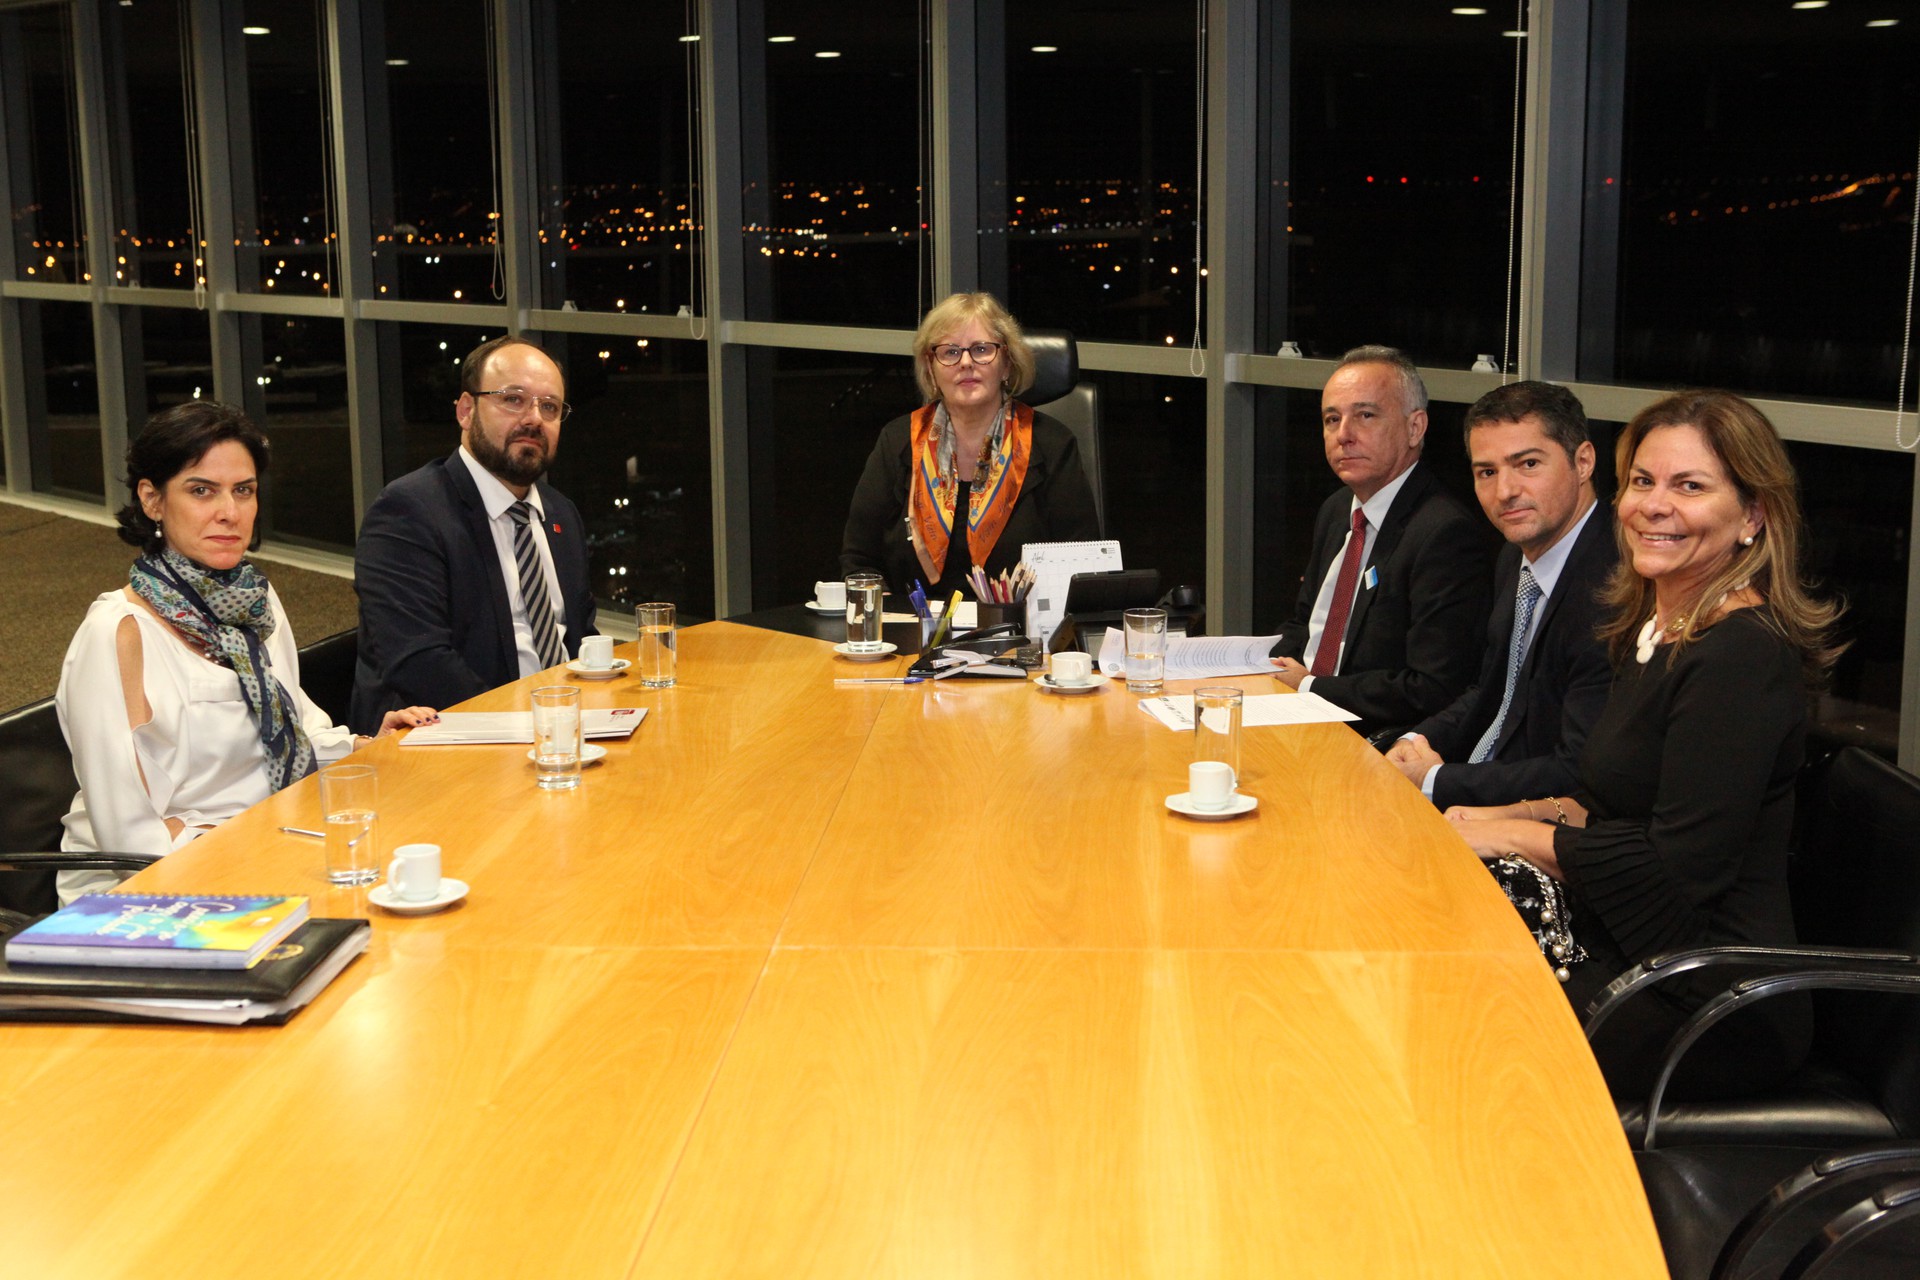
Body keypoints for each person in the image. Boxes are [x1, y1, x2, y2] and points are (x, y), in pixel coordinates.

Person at [1448, 390, 1843, 1097]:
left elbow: (1675, 871)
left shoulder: (1739, 656)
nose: (1653, 506)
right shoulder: (1656, 627)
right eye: (1643, 482)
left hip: (1710, 1000)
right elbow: (1609, 804)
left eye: (1689, 486)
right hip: (1632, 950)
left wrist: (1511, 836)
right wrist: (1501, 818)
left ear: (1752, 516)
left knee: (1470, 1035)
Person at [56, 402, 435, 901]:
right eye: (201, 491)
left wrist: (364, 745)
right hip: (148, 890)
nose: (229, 513)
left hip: (266, 841)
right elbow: (132, 836)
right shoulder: (118, 634)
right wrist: (249, 843)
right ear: (152, 500)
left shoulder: (254, 601)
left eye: (244, 490)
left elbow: (291, 731)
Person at [352, 335, 598, 732]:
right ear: (466, 411)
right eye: (513, 399)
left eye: (549, 407)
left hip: (559, 732)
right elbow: (420, 662)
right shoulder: (407, 512)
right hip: (453, 741)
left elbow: (582, 639)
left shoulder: (560, 514)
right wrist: (530, 726)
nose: (534, 418)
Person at [1387, 381, 1616, 808]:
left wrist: (1437, 781)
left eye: (1527, 464)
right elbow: (1492, 690)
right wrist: (1415, 740)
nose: (1505, 491)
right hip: (1482, 787)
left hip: (1539, 819)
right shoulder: (1515, 557)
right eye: (1487, 472)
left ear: (1583, 462)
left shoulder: (1615, 583)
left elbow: (1578, 766)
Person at [1269, 345, 1494, 739]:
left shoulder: (1444, 533)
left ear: (1415, 428)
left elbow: (1432, 688)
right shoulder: (1339, 509)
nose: (1344, 435)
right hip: (1294, 713)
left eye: (1365, 416)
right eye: (1332, 419)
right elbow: (1305, 624)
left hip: (1367, 736)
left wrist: (1308, 687)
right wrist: (1249, 663)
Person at [840, 292, 1100, 597]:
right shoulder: (898, 441)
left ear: (1006, 365)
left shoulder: (1052, 444)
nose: (965, 362)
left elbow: (1083, 565)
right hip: (912, 634)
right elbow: (859, 561)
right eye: (950, 352)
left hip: (1018, 633)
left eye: (981, 349)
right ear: (931, 369)